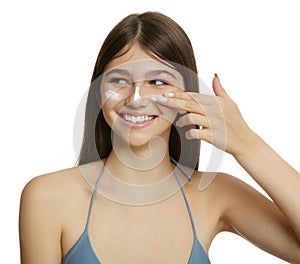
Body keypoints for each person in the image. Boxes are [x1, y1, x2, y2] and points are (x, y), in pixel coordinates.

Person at [19, 12, 300, 263]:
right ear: (97, 92)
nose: (136, 99)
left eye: (157, 81)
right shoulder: (47, 197)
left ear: (188, 94)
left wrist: (246, 144)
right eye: (118, 80)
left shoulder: (216, 195)